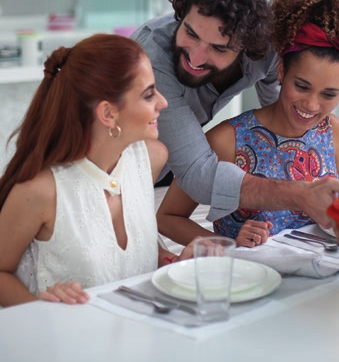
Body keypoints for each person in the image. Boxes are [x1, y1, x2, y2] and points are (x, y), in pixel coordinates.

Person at [156, 0, 339, 247]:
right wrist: (227, 242)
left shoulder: (333, 131)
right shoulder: (227, 140)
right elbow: (167, 217)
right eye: (301, 86)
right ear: (280, 71)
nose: (312, 105)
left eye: (329, 94)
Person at [132, 0, 339, 227]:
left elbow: (280, 108)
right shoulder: (151, 61)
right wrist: (299, 195)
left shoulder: (266, 48)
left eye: (219, 48)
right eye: (190, 32)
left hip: (165, 168)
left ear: (247, 47)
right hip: (117, 168)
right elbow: (198, 175)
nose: (196, 57)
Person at [0, 34, 195, 308]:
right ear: (107, 114)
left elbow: (129, 252)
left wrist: (172, 261)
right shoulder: (39, 191)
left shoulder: (152, 157)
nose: (162, 102)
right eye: (149, 94)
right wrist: (41, 311)